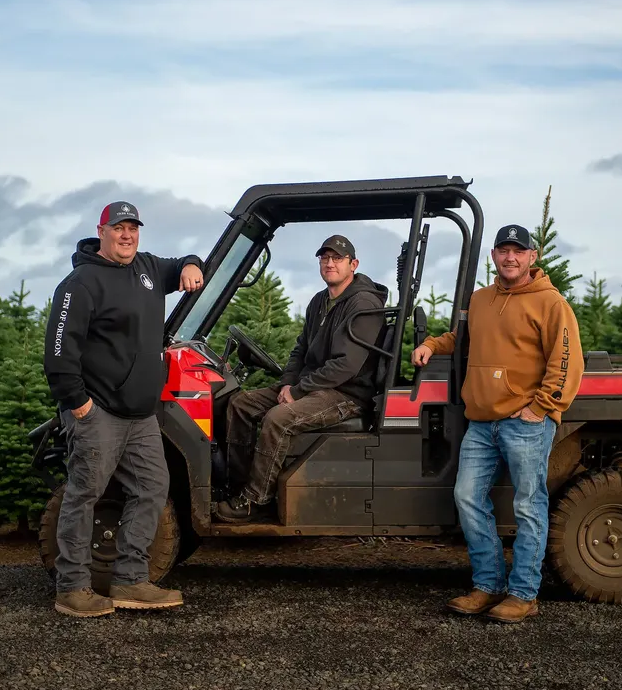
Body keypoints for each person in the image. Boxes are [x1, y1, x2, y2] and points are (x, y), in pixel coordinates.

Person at [411, 224, 583, 623]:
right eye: (503, 251)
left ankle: (523, 594)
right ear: (493, 256)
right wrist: (432, 344)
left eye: (517, 251)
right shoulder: (482, 299)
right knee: (467, 498)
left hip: (525, 422)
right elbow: (462, 337)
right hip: (481, 423)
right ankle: (487, 586)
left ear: (532, 257)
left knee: (528, 506)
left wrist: (541, 408)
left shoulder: (551, 303)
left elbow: (566, 359)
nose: (510, 258)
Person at [44, 201, 204, 618]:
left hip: (141, 416)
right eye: (119, 228)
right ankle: (73, 588)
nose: (127, 235)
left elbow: (183, 263)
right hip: (99, 414)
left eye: (133, 227)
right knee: (85, 495)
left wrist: (190, 263)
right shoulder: (80, 284)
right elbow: (59, 355)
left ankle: (131, 579)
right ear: (102, 231)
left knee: (152, 488)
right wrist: (79, 406)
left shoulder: (148, 268)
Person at [216, 235, 388, 522]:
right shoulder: (319, 301)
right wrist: (287, 384)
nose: (329, 263)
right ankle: (238, 487)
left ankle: (255, 501)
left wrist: (297, 391)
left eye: (337, 258)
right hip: (312, 386)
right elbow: (300, 350)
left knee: (278, 419)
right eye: (324, 258)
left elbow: (347, 366)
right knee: (241, 405)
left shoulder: (363, 304)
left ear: (353, 264)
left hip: (347, 393)